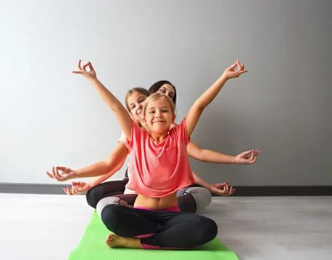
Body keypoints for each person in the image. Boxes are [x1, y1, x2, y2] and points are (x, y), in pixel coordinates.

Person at [62, 59, 247, 249]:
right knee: (110, 213)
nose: (158, 114)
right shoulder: (136, 137)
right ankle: (164, 238)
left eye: (164, 110)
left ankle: (142, 241)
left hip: (171, 214)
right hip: (142, 213)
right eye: (152, 111)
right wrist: (93, 80)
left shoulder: (179, 136)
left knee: (207, 228)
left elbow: (199, 105)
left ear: (173, 117)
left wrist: (224, 78)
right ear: (143, 118)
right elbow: (116, 107)